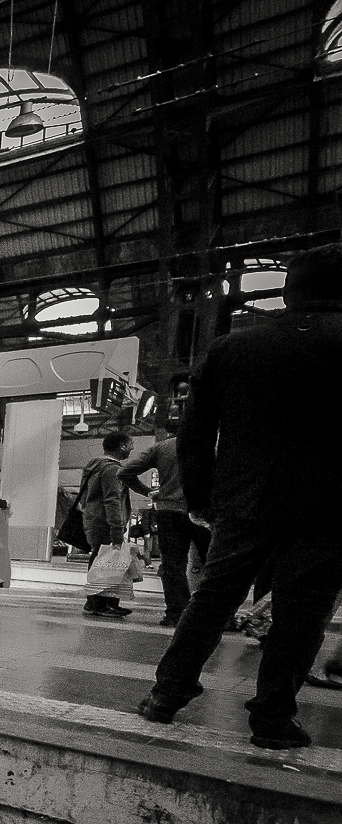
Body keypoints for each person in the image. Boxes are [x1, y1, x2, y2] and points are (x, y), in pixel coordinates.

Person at [138, 244, 342, 749]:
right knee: (303, 612)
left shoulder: (233, 347)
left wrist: (201, 496)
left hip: (245, 500)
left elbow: (194, 431)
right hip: (331, 506)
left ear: (289, 290)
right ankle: (272, 718)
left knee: (212, 598)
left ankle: (167, 694)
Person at [122, 383, 209, 627]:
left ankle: (176, 614)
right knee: (213, 564)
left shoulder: (161, 447)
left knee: (173, 565)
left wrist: (148, 491)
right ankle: (214, 614)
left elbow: (125, 472)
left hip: (169, 512)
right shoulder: (208, 447)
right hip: (202, 513)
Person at [79, 432, 136, 618]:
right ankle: (99, 604)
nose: (133, 448)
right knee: (106, 562)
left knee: (101, 560)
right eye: (130, 444)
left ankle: (100, 603)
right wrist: (117, 528)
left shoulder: (95, 465)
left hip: (94, 519)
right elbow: (112, 500)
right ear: (121, 446)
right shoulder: (111, 468)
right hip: (105, 522)